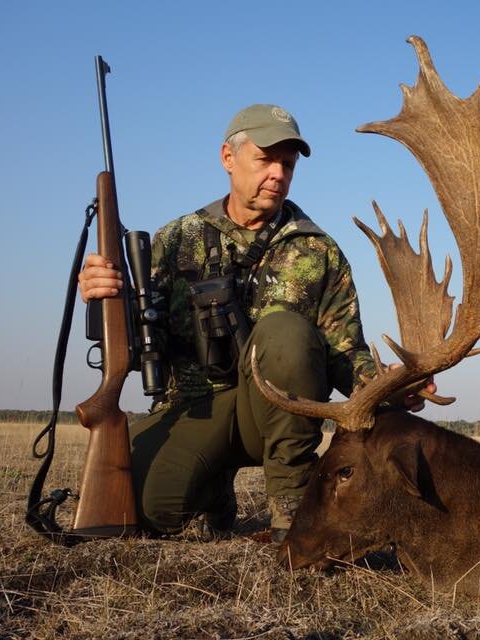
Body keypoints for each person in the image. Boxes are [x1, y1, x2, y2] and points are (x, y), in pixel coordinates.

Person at [78, 104, 433, 542]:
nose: (278, 174)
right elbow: (137, 339)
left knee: (285, 331)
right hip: (191, 408)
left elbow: (344, 352)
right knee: (146, 510)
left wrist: (389, 386)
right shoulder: (175, 240)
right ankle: (213, 492)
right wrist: (102, 296)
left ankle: (290, 507)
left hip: (273, 416)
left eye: (287, 164)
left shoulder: (319, 250)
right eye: (265, 160)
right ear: (229, 158)